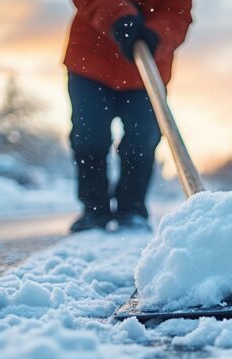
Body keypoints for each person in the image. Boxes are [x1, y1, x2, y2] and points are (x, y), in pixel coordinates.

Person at [64, 1, 193, 232]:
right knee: (89, 135)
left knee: (142, 139)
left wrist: (156, 35)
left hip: (147, 70)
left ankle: (131, 210)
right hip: (91, 61)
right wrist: (117, 15)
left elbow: (177, 13)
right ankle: (94, 210)